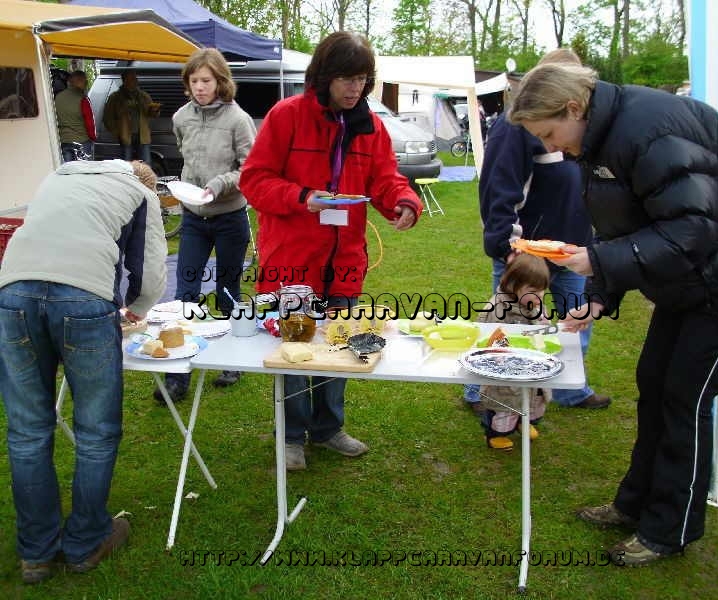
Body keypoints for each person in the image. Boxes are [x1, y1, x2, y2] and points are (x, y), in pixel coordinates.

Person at [508, 63, 718, 566]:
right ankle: (634, 503)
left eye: (549, 134)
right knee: (653, 382)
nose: (552, 147)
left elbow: (691, 229)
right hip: (687, 278)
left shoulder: (652, 129)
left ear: (574, 108)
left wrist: (599, 263)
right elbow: (623, 228)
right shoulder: (597, 140)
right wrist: (599, 294)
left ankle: (669, 529)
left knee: (685, 398)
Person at [240, 32, 423, 472]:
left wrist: (403, 201)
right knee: (294, 347)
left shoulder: (370, 125)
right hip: (292, 260)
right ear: (324, 77)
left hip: (344, 261)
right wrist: (303, 197)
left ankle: (327, 428)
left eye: (361, 79)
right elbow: (255, 180)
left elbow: (385, 177)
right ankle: (291, 435)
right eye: (345, 78)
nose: (354, 88)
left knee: (341, 346)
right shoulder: (287, 115)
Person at [0, 159, 167, 584]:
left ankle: (36, 552)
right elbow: (150, 273)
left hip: (13, 292)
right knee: (96, 430)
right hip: (83, 299)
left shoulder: (59, 175)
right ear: (145, 182)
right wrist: (138, 309)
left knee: (27, 431)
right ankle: (87, 541)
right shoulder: (142, 192)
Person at [464, 47, 610, 415]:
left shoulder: (585, 124)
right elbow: (498, 189)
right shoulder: (515, 126)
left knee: (576, 323)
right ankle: (479, 391)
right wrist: (508, 247)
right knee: (506, 325)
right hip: (527, 253)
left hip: (575, 249)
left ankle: (570, 389)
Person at [155, 48, 257, 402]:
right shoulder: (181, 117)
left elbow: (250, 168)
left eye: (206, 81)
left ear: (220, 81)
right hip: (193, 218)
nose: (200, 87)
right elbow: (186, 155)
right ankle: (177, 374)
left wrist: (219, 183)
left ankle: (233, 361)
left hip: (230, 217)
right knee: (185, 293)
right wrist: (186, 187)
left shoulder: (238, 119)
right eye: (194, 81)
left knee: (227, 291)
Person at [478, 254, 552, 450]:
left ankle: (523, 421)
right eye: (533, 291)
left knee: (533, 397)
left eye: (543, 290)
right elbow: (487, 336)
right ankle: (495, 435)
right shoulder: (497, 308)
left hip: (532, 363)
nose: (540, 295)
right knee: (504, 405)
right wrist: (501, 353)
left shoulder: (534, 303)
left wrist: (543, 322)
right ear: (513, 285)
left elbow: (543, 329)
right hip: (505, 368)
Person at [102, 71, 159, 164]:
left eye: (135, 78)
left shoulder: (143, 96)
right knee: (126, 165)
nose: (136, 81)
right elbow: (107, 118)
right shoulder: (115, 97)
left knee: (146, 164)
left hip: (143, 137)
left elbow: (152, 114)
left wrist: (155, 110)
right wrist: (118, 132)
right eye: (132, 79)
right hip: (125, 137)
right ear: (125, 81)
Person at [54, 70, 96, 161]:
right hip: (82, 142)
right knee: (84, 169)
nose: (86, 84)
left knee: (68, 169)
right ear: (80, 81)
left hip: (64, 141)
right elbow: (90, 123)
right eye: (85, 81)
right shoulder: (83, 99)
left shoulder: (57, 97)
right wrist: (93, 138)